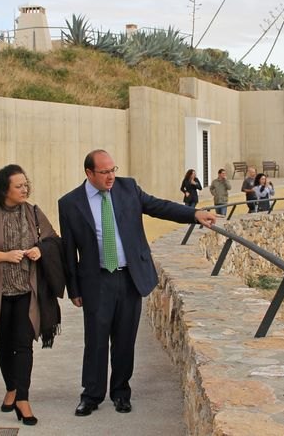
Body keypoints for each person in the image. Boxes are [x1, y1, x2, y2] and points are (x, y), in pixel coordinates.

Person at [58, 149, 215, 416]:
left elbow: (159, 206)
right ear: (89, 173)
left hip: (129, 277)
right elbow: (68, 251)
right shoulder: (70, 203)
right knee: (95, 340)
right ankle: (92, 394)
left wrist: (194, 214)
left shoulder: (127, 188)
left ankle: (121, 392)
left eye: (113, 170)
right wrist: (73, 289)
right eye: (105, 172)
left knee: (124, 339)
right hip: (96, 281)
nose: (111, 176)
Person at [0, 164, 59, 426]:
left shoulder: (33, 212)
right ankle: (11, 388)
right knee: (3, 344)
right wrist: (1, 256)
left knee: (23, 344)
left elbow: (53, 240)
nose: (24, 188)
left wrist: (40, 250)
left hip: (27, 293)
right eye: (19, 186)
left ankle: (23, 398)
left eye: (25, 184)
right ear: (4, 189)